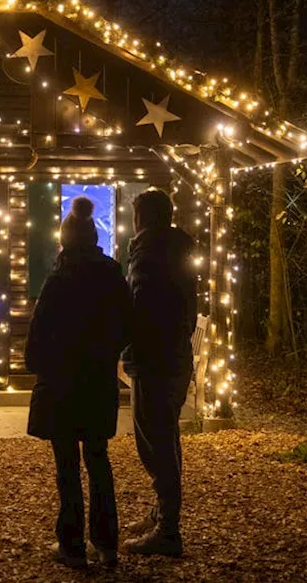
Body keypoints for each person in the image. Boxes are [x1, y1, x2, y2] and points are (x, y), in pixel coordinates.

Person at [25, 197, 131, 569]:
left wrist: (37, 365)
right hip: (98, 379)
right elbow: (125, 323)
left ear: (66, 238)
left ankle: (71, 545)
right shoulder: (112, 272)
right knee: (99, 460)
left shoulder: (60, 276)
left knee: (67, 466)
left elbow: (40, 331)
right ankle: (107, 543)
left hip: (62, 383)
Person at [121, 189, 198, 557]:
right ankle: (162, 513)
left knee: (156, 443)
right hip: (174, 357)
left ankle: (168, 529)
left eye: (135, 216)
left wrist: (125, 344)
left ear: (143, 219)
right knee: (164, 437)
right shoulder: (174, 251)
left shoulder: (149, 256)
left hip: (155, 361)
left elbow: (141, 309)